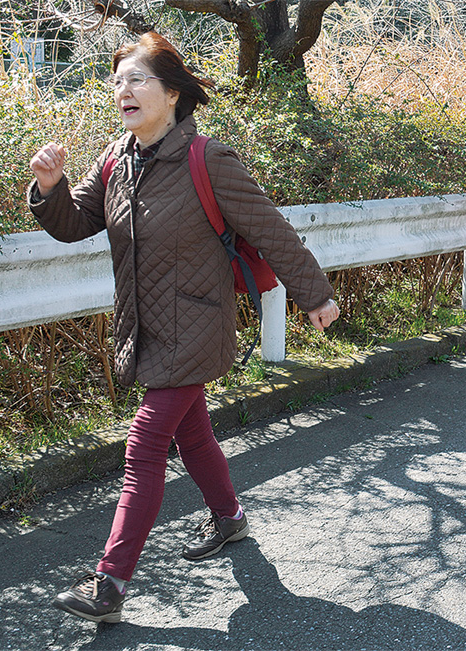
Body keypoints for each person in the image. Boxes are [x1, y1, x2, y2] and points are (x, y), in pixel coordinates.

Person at [28, 32, 339, 624]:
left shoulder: (208, 159)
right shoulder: (116, 161)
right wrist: (49, 188)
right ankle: (230, 520)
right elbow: (74, 224)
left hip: (197, 323)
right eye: (117, 80)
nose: (124, 89)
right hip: (144, 325)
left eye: (138, 78)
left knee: (145, 445)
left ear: (172, 93)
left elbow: (271, 230)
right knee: (192, 434)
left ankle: (110, 584)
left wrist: (315, 295)